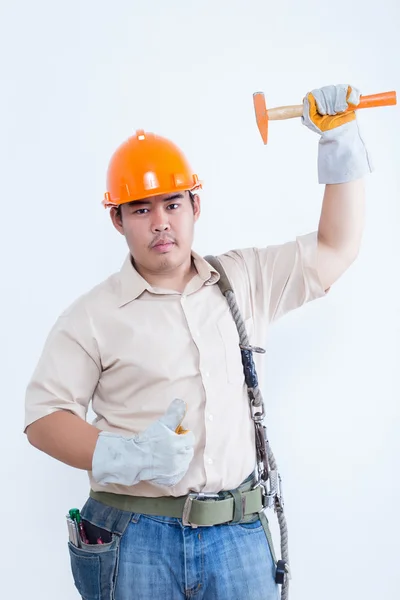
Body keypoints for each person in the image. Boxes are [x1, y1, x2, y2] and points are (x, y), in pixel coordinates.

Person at [24, 83, 371, 600]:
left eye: (172, 203)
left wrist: (340, 140)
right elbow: (43, 419)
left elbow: (335, 247)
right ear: (116, 218)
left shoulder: (247, 278)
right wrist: (124, 454)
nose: (161, 221)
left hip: (238, 537)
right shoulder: (91, 316)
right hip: (134, 535)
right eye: (140, 209)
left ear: (195, 204)